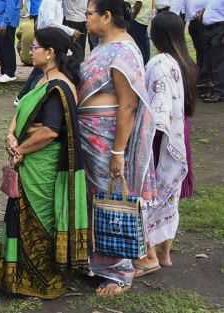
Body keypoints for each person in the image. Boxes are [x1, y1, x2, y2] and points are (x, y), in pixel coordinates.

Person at [0, 27, 88, 299]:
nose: (30, 50)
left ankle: (41, 282)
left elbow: (50, 131)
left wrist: (20, 149)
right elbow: (21, 108)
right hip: (28, 160)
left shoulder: (58, 86)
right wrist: (11, 134)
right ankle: (18, 277)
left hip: (42, 167)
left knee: (38, 221)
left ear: (50, 53)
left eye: (35, 47)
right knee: (19, 217)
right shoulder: (40, 80)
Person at [78, 0, 155, 296]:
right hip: (93, 134)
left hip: (107, 137)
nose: (86, 19)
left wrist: (118, 152)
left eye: (89, 14)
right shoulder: (103, 46)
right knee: (96, 198)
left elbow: (128, 104)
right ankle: (98, 262)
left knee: (111, 199)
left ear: (107, 16)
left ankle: (120, 271)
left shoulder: (123, 51)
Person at [135, 11, 195, 276]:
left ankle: (150, 254)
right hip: (180, 131)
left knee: (153, 193)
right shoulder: (187, 63)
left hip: (161, 134)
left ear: (156, 34)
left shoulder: (159, 63)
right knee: (171, 195)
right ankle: (165, 252)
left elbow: (153, 105)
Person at [0, 0, 20, 83]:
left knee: (7, 47)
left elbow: (11, 6)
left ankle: (10, 73)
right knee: (2, 47)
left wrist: (5, 22)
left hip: (6, 23)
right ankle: (4, 71)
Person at [200, 1, 224, 103]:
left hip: (220, 28)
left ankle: (220, 92)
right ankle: (213, 89)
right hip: (209, 29)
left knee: (218, 62)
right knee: (209, 61)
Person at [63, 0, 88, 64]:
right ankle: (78, 66)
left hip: (71, 19)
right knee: (79, 48)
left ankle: (74, 67)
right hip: (82, 19)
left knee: (73, 48)